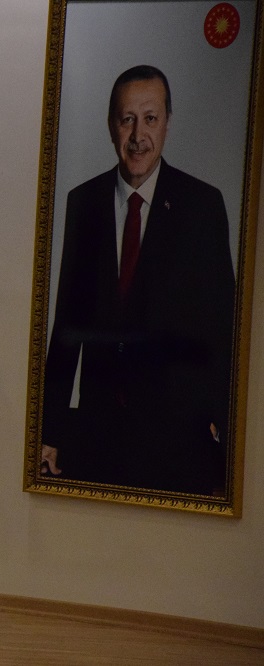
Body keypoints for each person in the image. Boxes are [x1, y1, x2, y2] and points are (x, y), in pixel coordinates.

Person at [41, 65, 235, 495]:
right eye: (127, 119)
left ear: (167, 122)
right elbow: (67, 325)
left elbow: (223, 326)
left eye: (150, 118)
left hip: (179, 440)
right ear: (112, 125)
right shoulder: (83, 202)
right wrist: (49, 430)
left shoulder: (202, 206)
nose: (137, 136)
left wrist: (222, 424)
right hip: (97, 434)